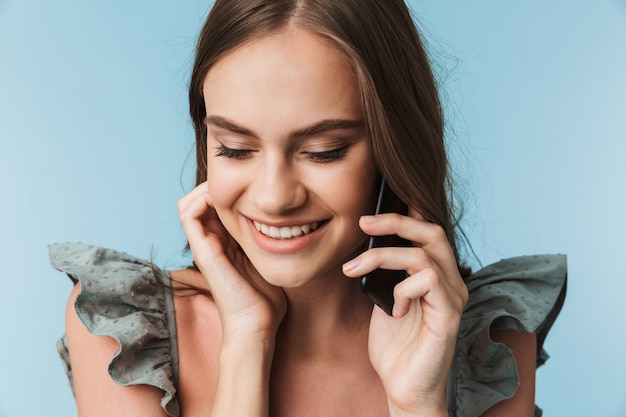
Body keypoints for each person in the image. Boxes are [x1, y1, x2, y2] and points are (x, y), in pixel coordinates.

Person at [50, 0, 567, 416]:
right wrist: (246, 345)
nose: (275, 197)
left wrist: (418, 404)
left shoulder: (486, 343)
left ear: (394, 150)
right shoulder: (123, 332)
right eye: (234, 148)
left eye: (324, 152)